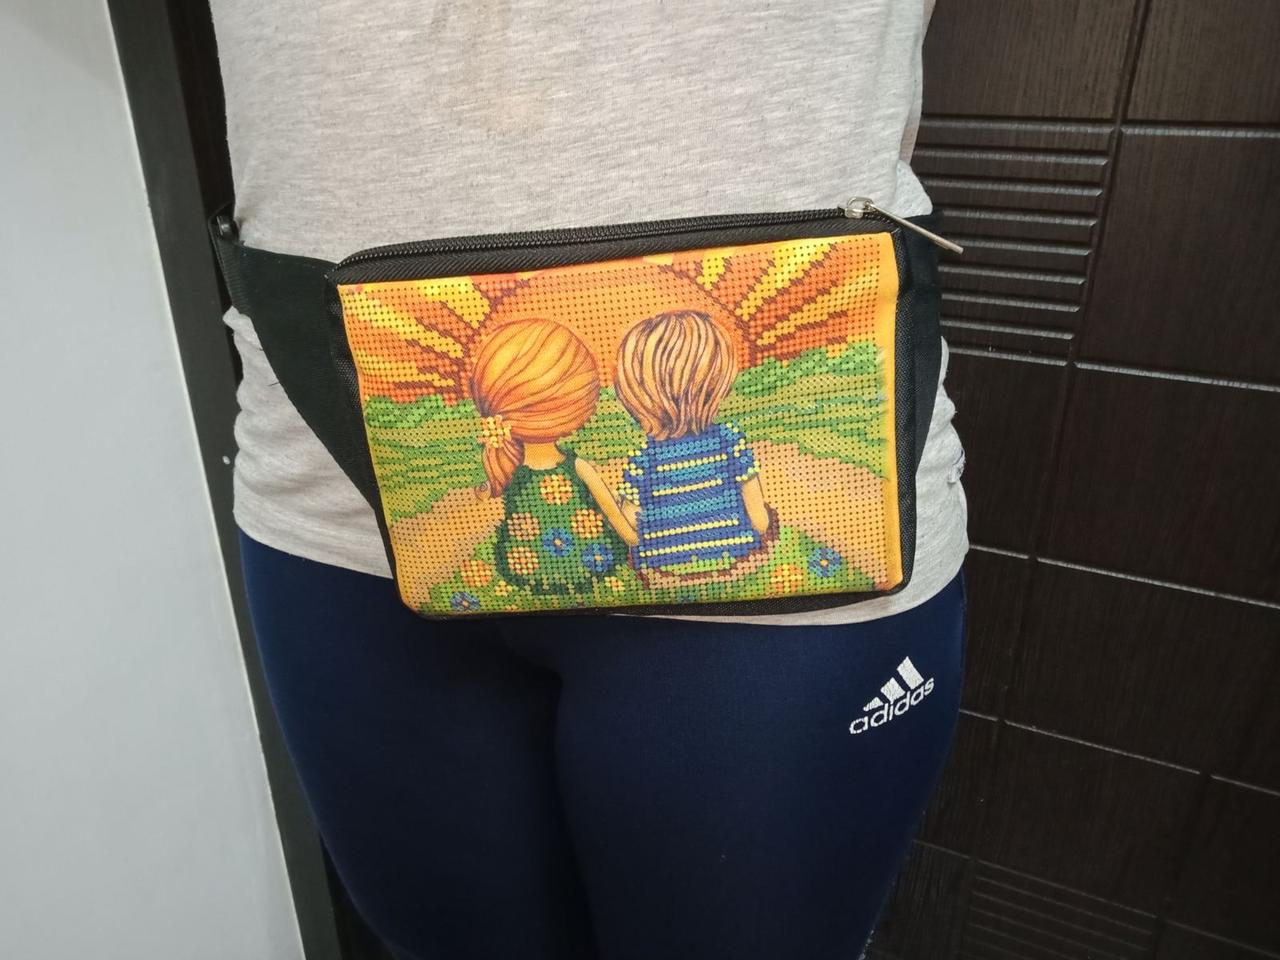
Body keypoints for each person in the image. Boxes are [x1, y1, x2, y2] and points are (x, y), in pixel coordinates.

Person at [211, 1, 968, 957]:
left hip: (813, 601)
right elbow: (656, 502)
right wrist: (750, 522)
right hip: (328, 487)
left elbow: (630, 499)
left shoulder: (626, 457)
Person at [614, 310, 770, 577]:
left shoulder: (643, 459)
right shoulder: (729, 441)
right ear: (714, 382)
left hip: (663, 572)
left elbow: (629, 527)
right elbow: (760, 521)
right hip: (735, 562)